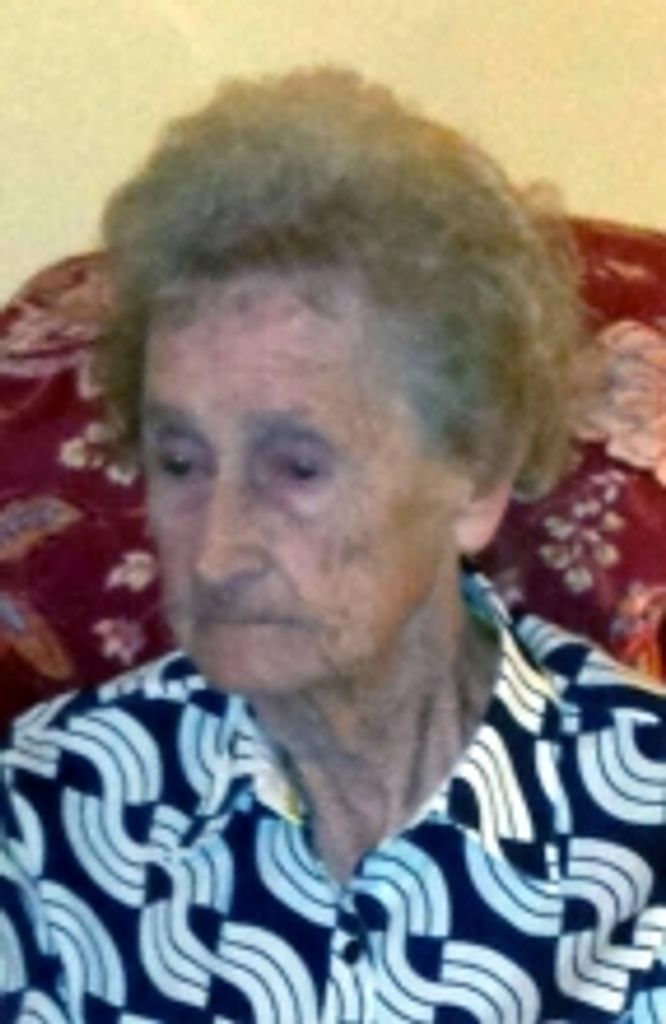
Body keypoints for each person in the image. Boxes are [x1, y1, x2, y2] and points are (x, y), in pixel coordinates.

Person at [1, 68, 665, 1024]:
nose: (217, 552)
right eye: (180, 462)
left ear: (476, 475)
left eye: (296, 468)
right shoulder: (52, 816)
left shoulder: (644, 836)